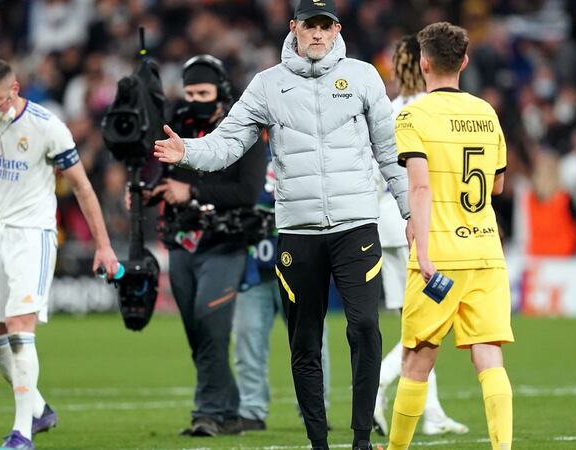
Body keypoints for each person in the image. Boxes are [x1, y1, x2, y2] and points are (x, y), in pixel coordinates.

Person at [154, 1, 410, 448]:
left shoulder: (365, 76)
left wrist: (412, 213)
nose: (317, 34)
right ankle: (317, 443)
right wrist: (189, 153)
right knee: (304, 342)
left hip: (356, 226)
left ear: (336, 29)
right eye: (309, 25)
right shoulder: (267, 85)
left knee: (364, 327)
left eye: (324, 26)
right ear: (294, 28)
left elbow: (389, 153)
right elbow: (228, 144)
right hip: (299, 231)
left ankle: (362, 440)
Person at [0, 58, 119, 450]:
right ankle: (40, 409)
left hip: (32, 234)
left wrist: (104, 245)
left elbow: (81, 186)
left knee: (18, 327)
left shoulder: (47, 126)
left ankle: (21, 434)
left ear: (15, 90)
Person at [386, 22, 513, 450]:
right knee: (489, 354)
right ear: (464, 61)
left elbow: (419, 187)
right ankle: (503, 447)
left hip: (438, 253)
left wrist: (422, 251)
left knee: (418, 357)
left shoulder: (412, 116)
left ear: (423, 63)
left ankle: (398, 449)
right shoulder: (486, 112)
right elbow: (496, 187)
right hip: (485, 251)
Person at [133, 55, 266, 437]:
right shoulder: (176, 128)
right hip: (181, 242)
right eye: (190, 92)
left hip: (226, 243)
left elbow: (247, 191)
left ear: (221, 91)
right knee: (197, 328)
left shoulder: (245, 129)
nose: (195, 99)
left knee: (210, 319)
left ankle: (206, 413)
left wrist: (190, 189)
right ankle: (228, 409)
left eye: (203, 92)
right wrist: (144, 192)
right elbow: (160, 176)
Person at [372, 35, 468, 438]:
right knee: (430, 325)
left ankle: (431, 412)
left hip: (386, 223)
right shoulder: (431, 111)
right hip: (421, 227)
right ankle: (376, 384)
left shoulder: (389, 110)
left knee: (415, 323)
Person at [233, 146, 332, 433]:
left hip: (299, 262)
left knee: (311, 339)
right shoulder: (244, 150)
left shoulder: (304, 145)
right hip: (254, 266)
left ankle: (315, 409)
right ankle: (251, 411)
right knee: (247, 338)